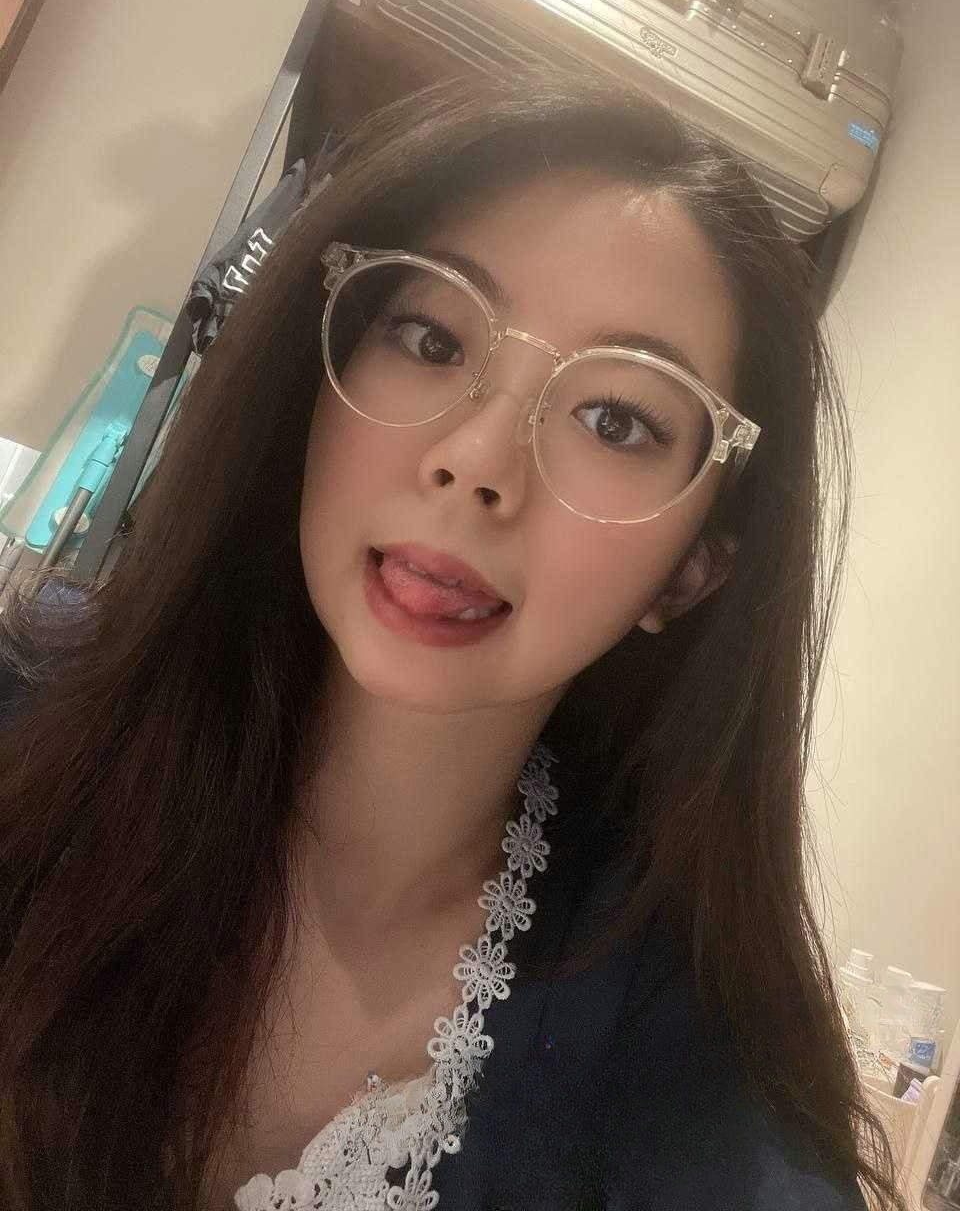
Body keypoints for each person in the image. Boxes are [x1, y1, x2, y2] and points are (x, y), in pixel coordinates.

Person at [0, 65, 904, 1211]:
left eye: (615, 419)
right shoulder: (30, 720)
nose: (476, 461)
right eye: (431, 336)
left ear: (691, 566)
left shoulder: (679, 1059)